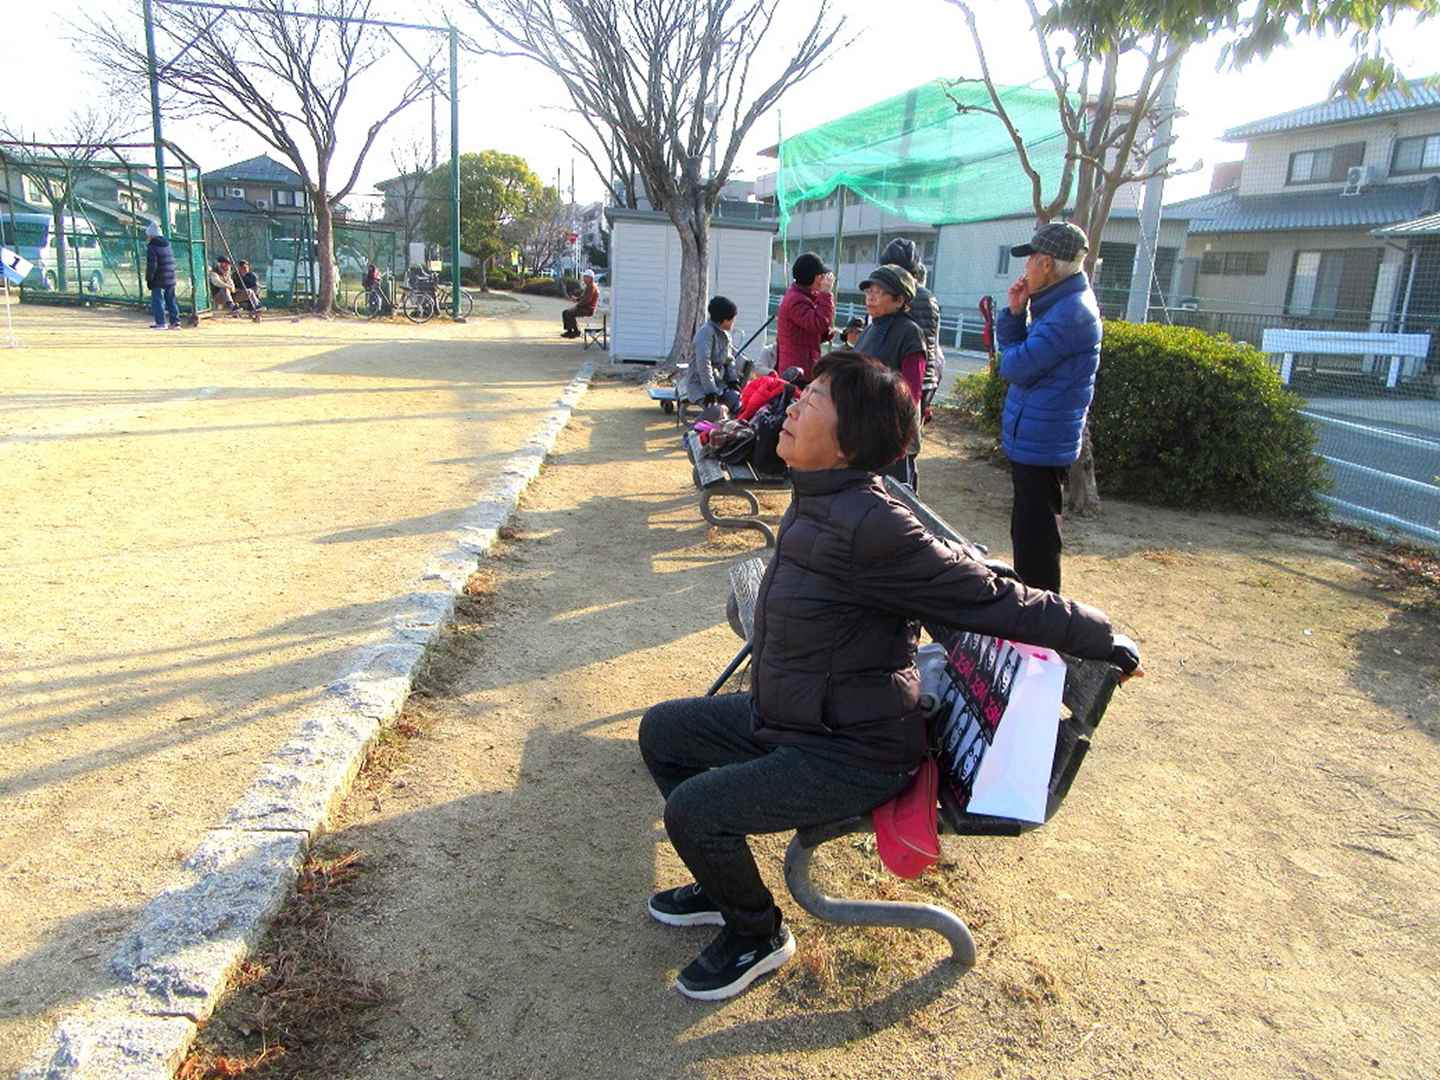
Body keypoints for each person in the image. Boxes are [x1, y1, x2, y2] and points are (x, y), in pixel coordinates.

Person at [637, 350, 1141, 1002]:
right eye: (803, 395)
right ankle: (721, 885)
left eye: (813, 401)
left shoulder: (873, 525)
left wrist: (1099, 636)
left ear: (849, 443)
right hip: (798, 717)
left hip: (853, 753)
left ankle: (757, 934)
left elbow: (990, 597)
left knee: (694, 811)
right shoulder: (821, 494)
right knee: (664, 734)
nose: (793, 406)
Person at [996, 221, 1101, 593]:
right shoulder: (1058, 306)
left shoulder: (1069, 313)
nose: (1025, 268)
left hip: (1043, 441)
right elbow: (1021, 361)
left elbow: (1014, 367)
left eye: (1030, 260)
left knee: (1036, 540)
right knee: (1029, 532)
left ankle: (1040, 612)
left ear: (1046, 263)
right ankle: (1034, 606)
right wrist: (1015, 313)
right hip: (1038, 438)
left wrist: (1013, 320)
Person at [855, 264, 926, 489]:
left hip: (893, 435)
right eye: (869, 291)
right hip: (864, 429)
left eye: (879, 291)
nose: (871, 296)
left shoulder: (910, 332)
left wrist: (896, 436)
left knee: (894, 496)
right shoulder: (870, 329)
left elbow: (911, 393)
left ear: (899, 300)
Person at [880, 237, 944, 421]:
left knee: (896, 430)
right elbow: (934, 344)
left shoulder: (898, 296)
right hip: (927, 378)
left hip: (905, 379)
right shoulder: (929, 297)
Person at [775, 252, 835, 380]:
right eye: (821, 276)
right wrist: (826, 294)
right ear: (811, 277)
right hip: (797, 371)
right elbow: (818, 324)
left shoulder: (804, 296)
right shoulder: (796, 300)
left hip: (802, 365)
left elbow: (810, 332)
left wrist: (826, 333)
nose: (823, 279)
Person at [680, 296, 741, 413]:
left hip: (717, 383)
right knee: (716, 411)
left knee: (737, 400)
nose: (734, 322)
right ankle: (700, 425)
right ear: (724, 320)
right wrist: (711, 391)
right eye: (732, 319)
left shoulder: (725, 334)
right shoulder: (706, 333)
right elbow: (703, 364)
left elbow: (729, 359)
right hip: (699, 385)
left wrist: (733, 380)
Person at [144, 223, 180, 330]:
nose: (147, 237)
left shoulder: (152, 247)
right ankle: (175, 322)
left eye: (148, 235)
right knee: (171, 300)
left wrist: (149, 279)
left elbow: (152, 265)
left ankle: (161, 323)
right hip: (170, 276)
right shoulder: (167, 244)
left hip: (158, 278)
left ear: (151, 235)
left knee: (158, 300)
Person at [562, 270, 600, 338]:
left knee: (569, 313)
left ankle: (576, 332)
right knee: (565, 312)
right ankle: (569, 331)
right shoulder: (589, 286)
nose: (584, 279)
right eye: (584, 277)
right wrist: (576, 299)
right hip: (585, 307)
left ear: (590, 278)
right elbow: (583, 297)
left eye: (585, 277)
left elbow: (587, 300)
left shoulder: (591, 287)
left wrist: (577, 305)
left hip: (588, 309)